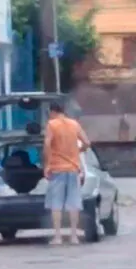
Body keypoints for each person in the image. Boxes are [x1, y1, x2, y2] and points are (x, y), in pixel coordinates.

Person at [44, 101, 91, 245]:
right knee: (73, 203)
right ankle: (74, 236)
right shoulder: (74, 124)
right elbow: (87, 143)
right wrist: (78, 151)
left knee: (56, 204)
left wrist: (47, 164)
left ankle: (58, 237)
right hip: (73, 169)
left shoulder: (52, 125)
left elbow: (47, 143)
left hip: (57, 168)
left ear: (52, 112)